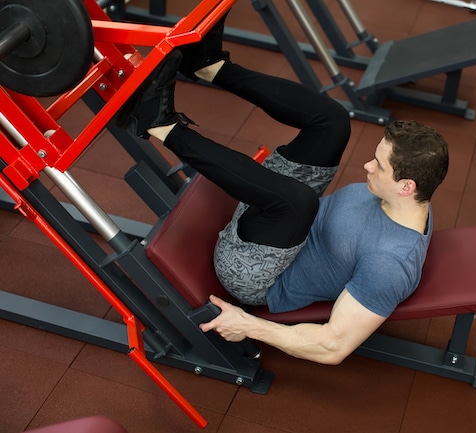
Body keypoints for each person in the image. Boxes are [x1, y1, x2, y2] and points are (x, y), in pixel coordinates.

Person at [116, 15, 449, 366]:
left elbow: (333, 346)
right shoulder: (410, 198)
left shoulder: (390, 264)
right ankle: (209, 67)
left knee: (298, 202)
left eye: (379, 165)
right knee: (333, 122)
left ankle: (158, 124)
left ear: (406, 186)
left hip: (256, 273)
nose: (367, 166)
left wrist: (249, 324)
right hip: (285, 223)